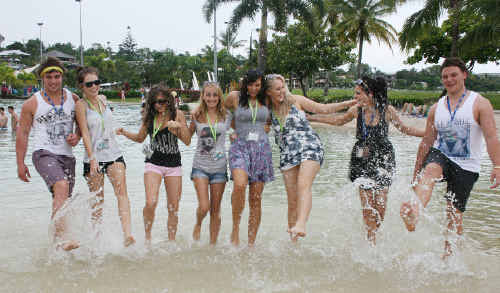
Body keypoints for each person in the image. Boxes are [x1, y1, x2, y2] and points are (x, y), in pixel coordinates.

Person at [400, 57, 500, 257]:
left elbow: (491, 137)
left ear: (464, 74)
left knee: (454, 214)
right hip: (442, 155)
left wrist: (497, 165)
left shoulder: (480, 104)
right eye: (445, 76)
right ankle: (414, 210)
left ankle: (449, 256)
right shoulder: (437, 108)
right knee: (430, 171)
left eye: (453, 75)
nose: (449, 79)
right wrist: (415, 173)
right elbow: (427, 142)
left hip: (467, 165)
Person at [308, 76, 424, 245]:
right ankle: (371, 241)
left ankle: (374, 234)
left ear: (370, 94)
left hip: (383, 157)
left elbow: (405, 129)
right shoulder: (357, 110)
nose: (355, 97)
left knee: (381, 204)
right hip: (361, 157)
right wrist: (312, 118)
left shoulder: (387, 110)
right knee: (368, 204)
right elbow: (337, 121)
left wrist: (428, 134)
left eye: (358, 93)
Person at [263, 74, 356, 240]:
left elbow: (323, 109)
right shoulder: (267, 111)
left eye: (283, 87)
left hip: (310, 145)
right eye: (278, 89)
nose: (282, 91)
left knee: (303, 184)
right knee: (292, 201)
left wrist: (347, 103)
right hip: (287, 153)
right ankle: (293, 242)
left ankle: (301, 224)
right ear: (268, 91)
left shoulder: (296, 100)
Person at [15, 57, 81, 251]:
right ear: (42, 79)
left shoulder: (73, 99)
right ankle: (61, 240)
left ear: (62, 77)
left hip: (67, 156)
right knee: (61, 186)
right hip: (43, 153)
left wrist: (76, 136)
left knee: (63, 199)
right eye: (49, 77)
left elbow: (82, 125)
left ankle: (56, 246)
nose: (53, 81)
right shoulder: (31, 103)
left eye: (57, 76)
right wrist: (20, 163)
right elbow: (23, 133)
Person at [116, 86, 191, 243]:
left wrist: (179, 129)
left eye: (162, 102)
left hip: (173, 165)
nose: (159, 105)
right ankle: (148, 237)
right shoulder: (149, 117)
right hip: (153, 163)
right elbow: (140, 138)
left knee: (173, 207)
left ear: (169, 101)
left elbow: (188, 141)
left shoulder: (178, 115)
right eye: (156, 102)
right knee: (151, 202)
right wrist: (124, 132)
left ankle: (171, 241)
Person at [74, 67, 135, 247]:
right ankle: (96, 240)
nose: (94, 87)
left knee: (122, 193)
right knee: (97, 201)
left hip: (114, 153)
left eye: (97, 82)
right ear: (82, 86)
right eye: (89, 84)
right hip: (93, 158)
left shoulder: (103, 99)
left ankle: (127, 235)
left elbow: (107, 122)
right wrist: (92, 158)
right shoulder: (81, 105)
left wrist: (116, 130)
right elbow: (85, 132)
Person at [224, 69, 274, 246]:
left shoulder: (266, 99)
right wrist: (232, 130)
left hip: (261, 150)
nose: (254, 88)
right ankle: (235, 229)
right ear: (246, 84)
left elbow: (268, 122)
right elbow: (221, 112)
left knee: (256, 198)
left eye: (258, 85)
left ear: (262, 86)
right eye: (251, 84)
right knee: (239, 185)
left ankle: (251, 243)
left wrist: (264, 129)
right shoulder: (234, 97)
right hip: (239, 147)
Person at [188, 81, 232, 244]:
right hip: (200, 166)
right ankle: (198, 223)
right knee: (204, 207)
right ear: (203, 96)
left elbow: (240, 129)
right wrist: (175, 126)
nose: (211, 98)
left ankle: (212, 245)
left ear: (219, 97)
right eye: (208, 95)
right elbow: (186, 138)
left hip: (220, 168)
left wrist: (237, 137)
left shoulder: (227, 116)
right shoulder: (197, 115)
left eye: (215, 95)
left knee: (215, 210)